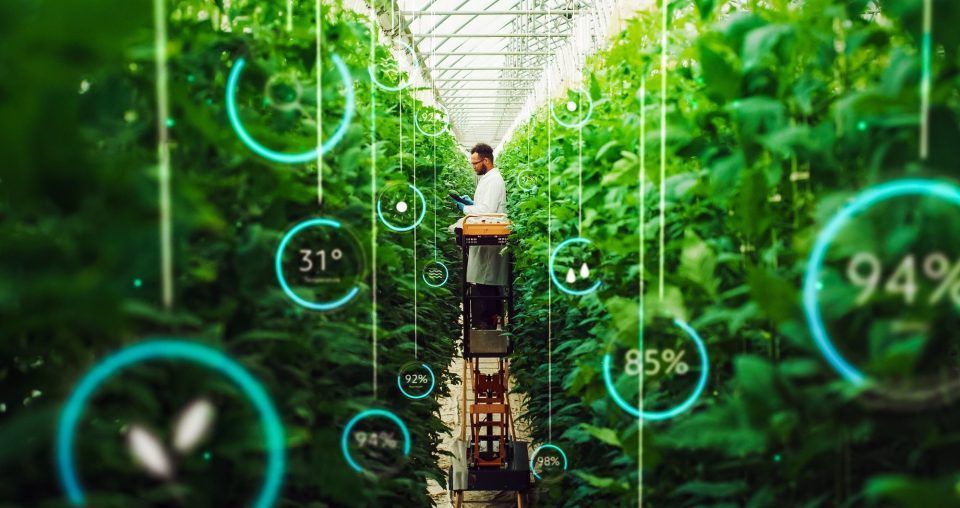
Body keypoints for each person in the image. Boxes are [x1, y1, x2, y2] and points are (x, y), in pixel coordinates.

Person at [453, 143, 508, 329]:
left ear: (486, 160)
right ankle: (489, 319)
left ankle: (489, 321)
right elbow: (484, 206)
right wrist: (470, 203)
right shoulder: (489, 179)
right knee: (486, 282)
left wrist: (466, 208)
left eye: (475, 163)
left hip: (489, 237)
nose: (474, 166)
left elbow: (487, 210)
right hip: (485, 235)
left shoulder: (494, 180)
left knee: (487, 283)